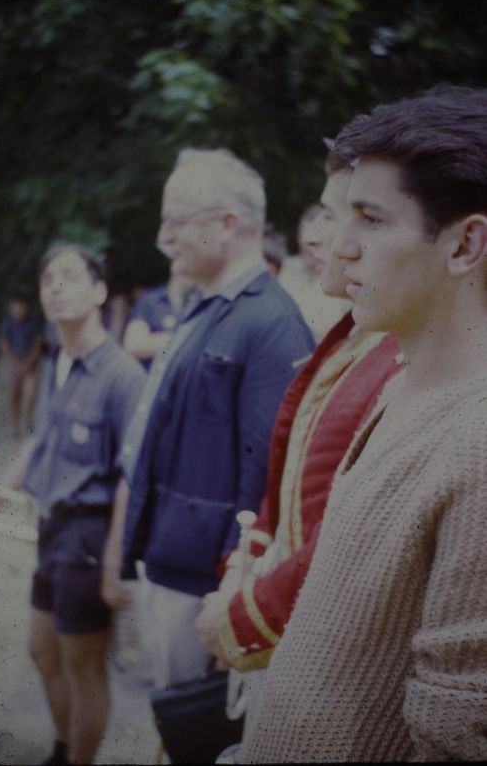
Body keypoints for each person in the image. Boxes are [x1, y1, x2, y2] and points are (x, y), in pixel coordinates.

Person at [241, 86, 487, 763]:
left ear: (467, 243)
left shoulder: (477, 447)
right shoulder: (401, 385)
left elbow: (459, 739)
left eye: (371, 221)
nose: (338, 247)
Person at [195, 142, 403, 748]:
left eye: (358, 217)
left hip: (331, 657)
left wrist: (240, 615)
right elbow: (288, 478)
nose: (328, 240)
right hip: (289, 620)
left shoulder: (397, 351)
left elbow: (345, 534)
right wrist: (244, 562)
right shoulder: (355, 335)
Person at [112, 147, 315, 760]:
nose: (163, 236)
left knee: (196, 735)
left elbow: (268, 475)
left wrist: (231, 590)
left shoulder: (271, 324)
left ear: (227, 223)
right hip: (171, 559)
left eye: (177, 219)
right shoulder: (208, 306)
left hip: (202, 581)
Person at [0, 241, 146, 766]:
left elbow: (132, 476)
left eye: (70, 276)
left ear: (100, 290)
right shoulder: (59, 360)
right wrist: (4, 488)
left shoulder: (123, 375)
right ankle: (63, 747)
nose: (55, 287)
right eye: (48, 279)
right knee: (40, 648)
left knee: (83, 665)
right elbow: (42, 438)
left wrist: (112, 565)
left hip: (90, 536)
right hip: (51, 529)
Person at [279, 203, 349, 340]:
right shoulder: (289, 267)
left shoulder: (341, 280)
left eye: (316, 239)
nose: (306, 243)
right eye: (302, 234)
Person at [122, 267, 196, 370]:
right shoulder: (150, 299)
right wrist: (184, 340)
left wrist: (154, 341)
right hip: (147, 379)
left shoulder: (201, 305)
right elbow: (133, 345)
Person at [0, 292, 43, 438]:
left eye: (21, 306)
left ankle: (28, 420)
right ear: (11, 308)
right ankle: (15, 425)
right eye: (15, 306)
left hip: (30, 366)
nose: (18, 309)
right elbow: (5, 345)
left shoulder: (32, 323)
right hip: (14, 366)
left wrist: (28, 363)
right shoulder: (8, 323)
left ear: (26, 307)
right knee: (14, 396)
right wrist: (15, 364)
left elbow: (37, 345)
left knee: (30, 395)